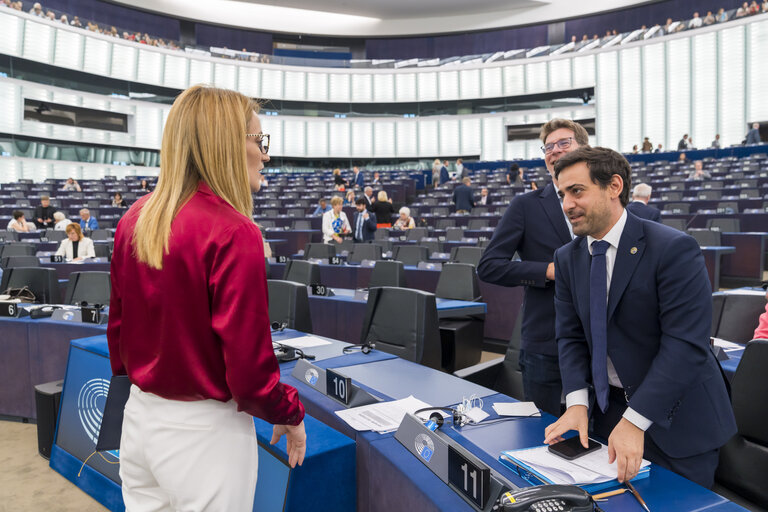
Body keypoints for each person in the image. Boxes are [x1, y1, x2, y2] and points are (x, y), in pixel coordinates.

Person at [107, 85, 306, 511]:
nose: (265, 154)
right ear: (229, 145)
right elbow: (250, 377)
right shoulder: (235, 231)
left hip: (138, 419)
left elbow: (118, 334)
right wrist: (289, 412)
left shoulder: (133, 219)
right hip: (205, 438)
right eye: (259, 141)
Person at [544, 146, 736, 489]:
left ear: (614, 186)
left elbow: (685, 346)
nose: (566, 204)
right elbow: (570, 336)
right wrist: (576, 402)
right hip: (607, 417)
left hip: (678, 424)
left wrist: (635, 421)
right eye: (562, 194)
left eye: (577, 191)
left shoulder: (674, 249)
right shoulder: (566, 257)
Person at [477, 118, 588, 416]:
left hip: (600, 343)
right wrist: (547, 271)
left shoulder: (601, 200)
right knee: (544, 435)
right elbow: (489, 267)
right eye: (548, 147)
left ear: (584, 148)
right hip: (545, 344)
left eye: (564, 143)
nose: (554, 151)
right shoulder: (525, 206)